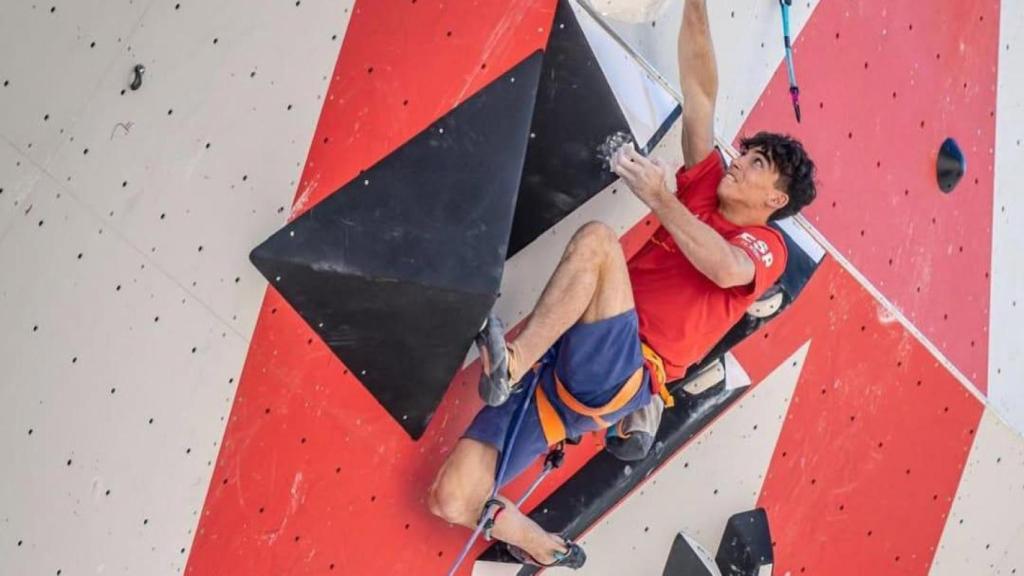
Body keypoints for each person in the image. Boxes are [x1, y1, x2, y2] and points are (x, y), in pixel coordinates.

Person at [428, 0, 817, 568]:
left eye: (757, 164)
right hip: (574, 366)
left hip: (626, 366)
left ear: (775, 201)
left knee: (598, 244)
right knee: (451, 494)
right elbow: (701, 89)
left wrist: (661, 197)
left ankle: (509, 364)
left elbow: (728, 270)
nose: (739, 161)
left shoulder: (769, 248)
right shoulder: (706, 186)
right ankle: (540, 542)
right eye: (747, 153)